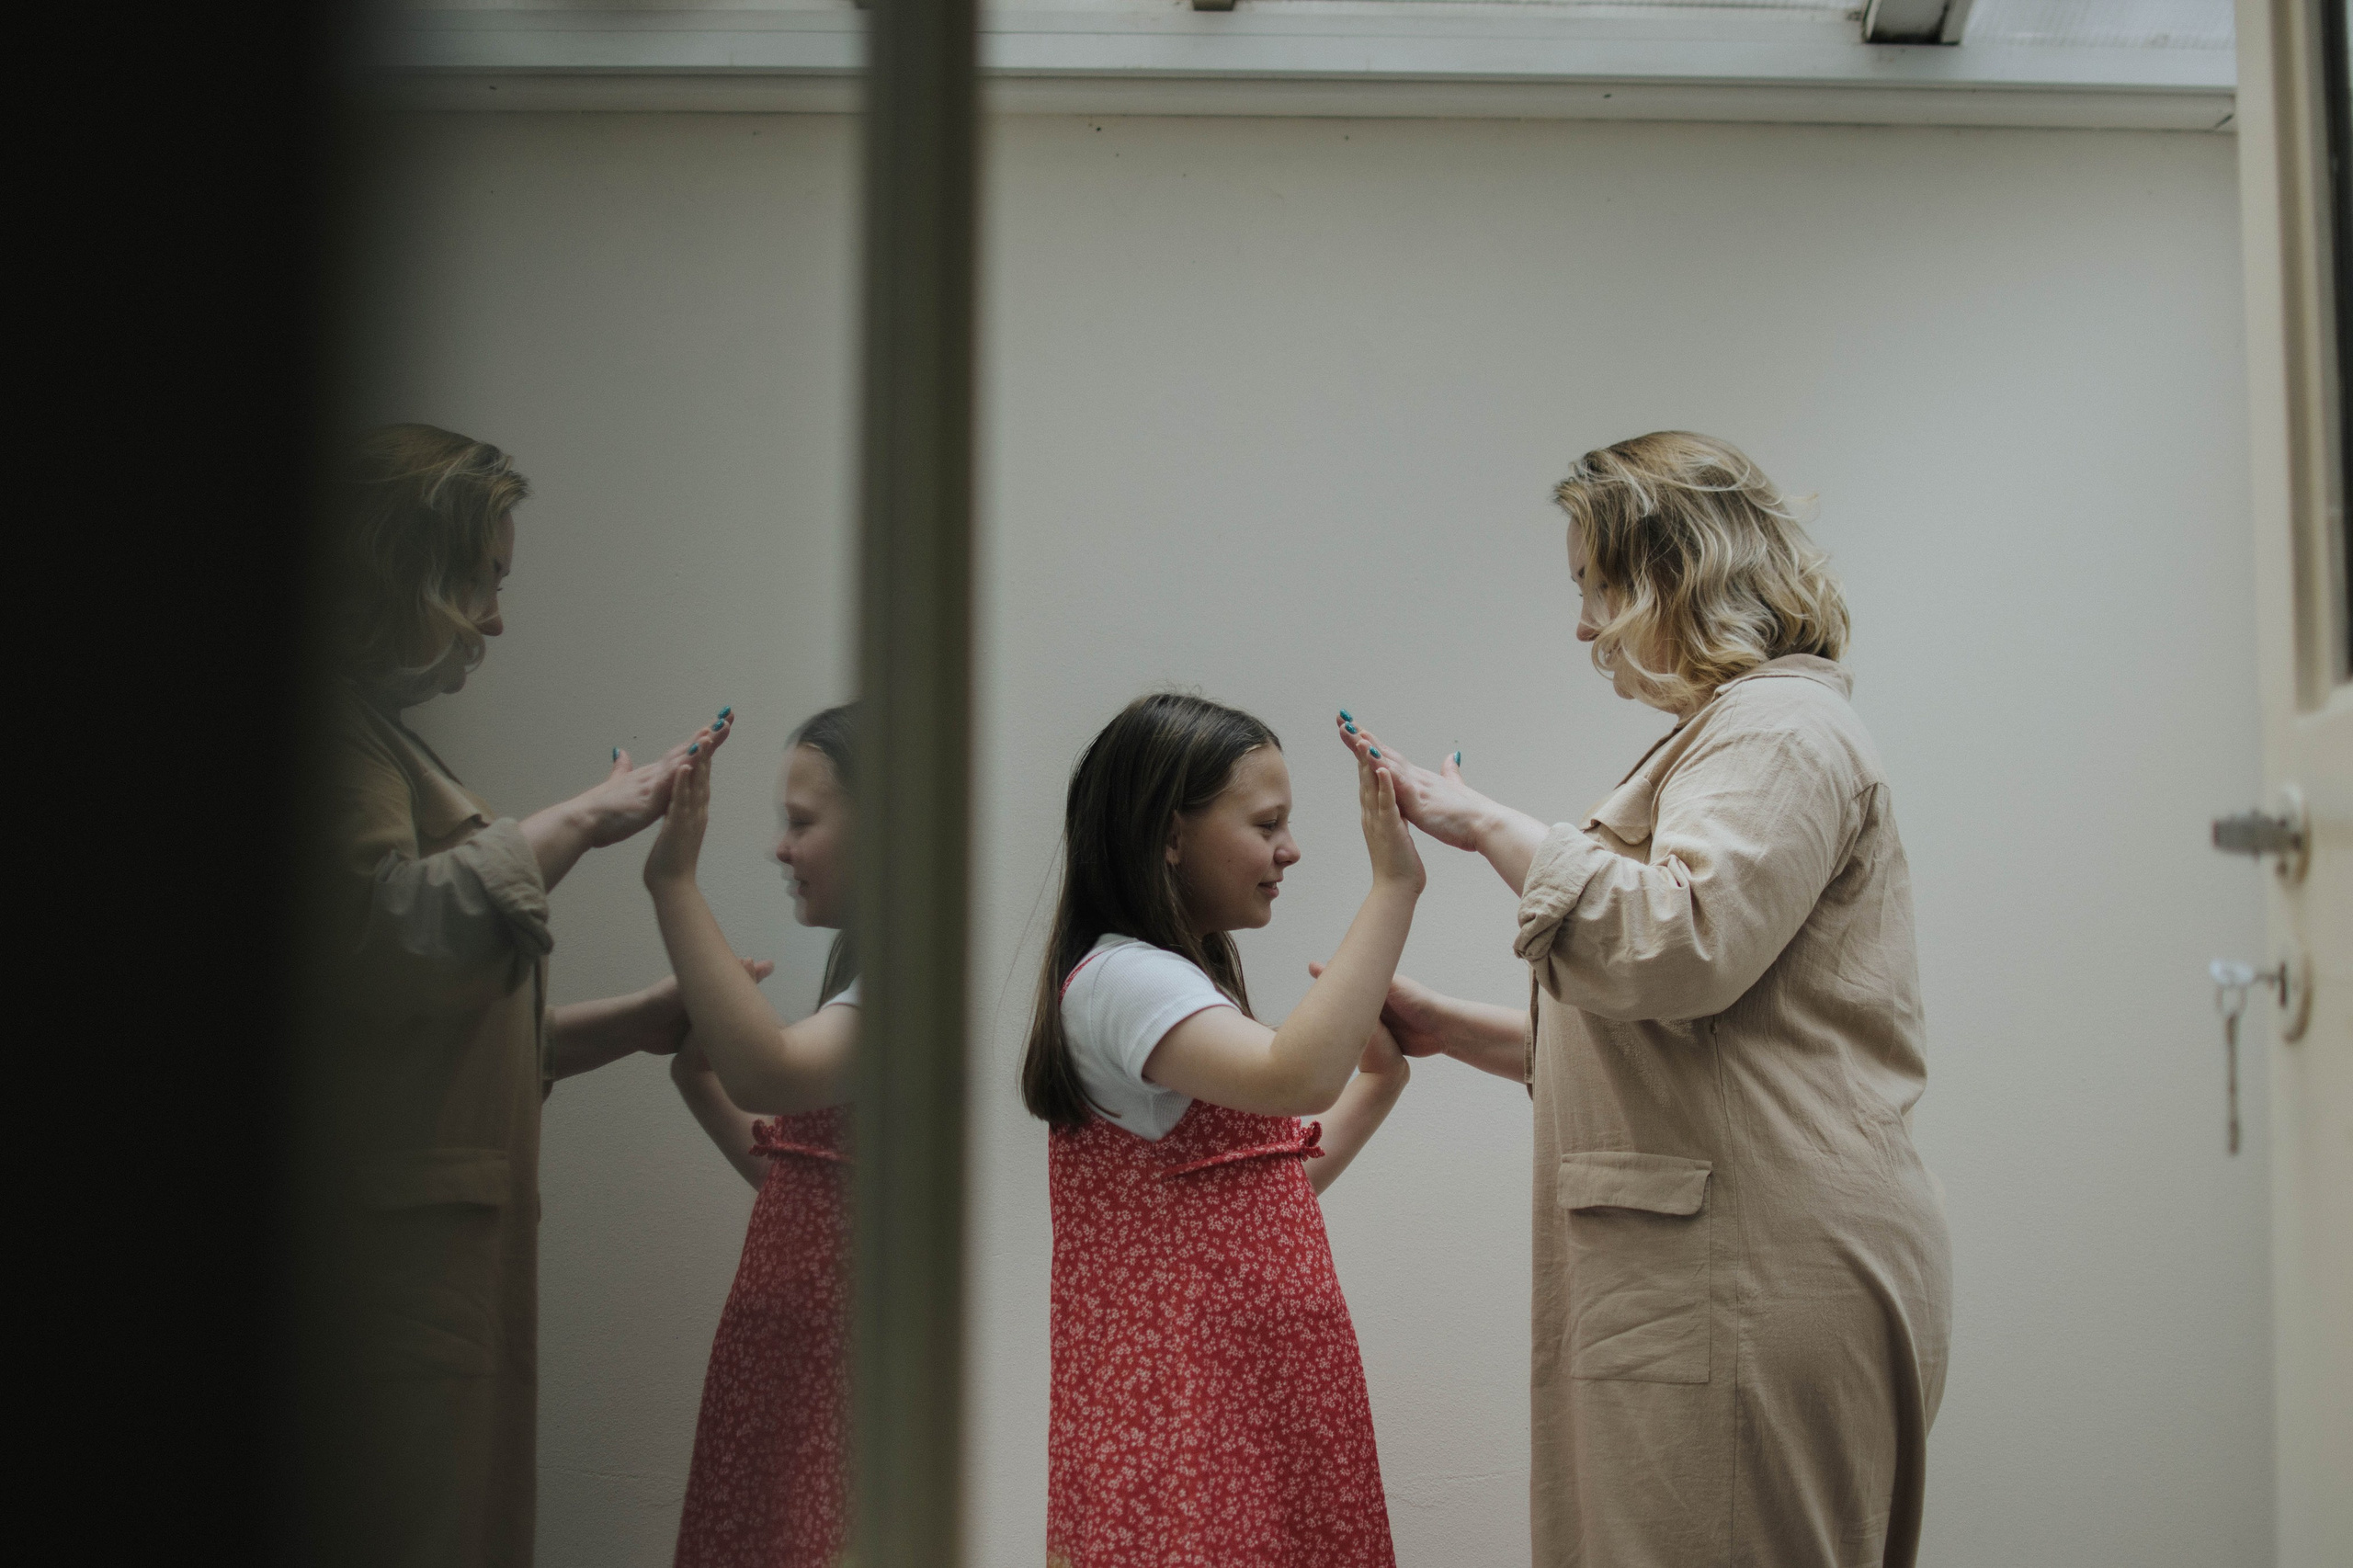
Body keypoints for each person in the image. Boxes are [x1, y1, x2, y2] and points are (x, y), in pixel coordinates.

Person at [1338, 431, 1953, 1568]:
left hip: (1744, 1271)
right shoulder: (1748, 732)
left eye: (1595, 584)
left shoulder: (1778, 730)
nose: (1583, 625)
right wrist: (1449, 1030)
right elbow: (1693, 1043)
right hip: (1722, 1265)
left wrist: (1485, 825)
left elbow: (1678, 944)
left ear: (1672, 570)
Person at [324, 422, 733, 1567]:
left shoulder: (375, 741)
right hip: (391, 1273)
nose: (497, 620)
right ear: (406, 566)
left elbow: (437, 1042)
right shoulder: (333, 743)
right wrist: (582, 820)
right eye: (483, 581)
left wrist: (638, 1022)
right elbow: (384, 940)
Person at [1022, 691, 1418, 1568]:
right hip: (1188, 1414)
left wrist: (1379, 1083)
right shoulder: (1122, 980)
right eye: (1267, 824)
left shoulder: (1167, 979)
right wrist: (1396, 885)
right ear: (1170, 835)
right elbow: (1295, 1075)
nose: (1290, 849)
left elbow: (1251, 1195)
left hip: (1245, 1404)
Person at [643, 705, 861, 1568]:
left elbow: (767, 1070)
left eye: (801, 823)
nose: (780, 848)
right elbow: (810, 1185)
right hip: (788, 1356)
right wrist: (698, 1078)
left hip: (835, 1370)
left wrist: (674, 882)